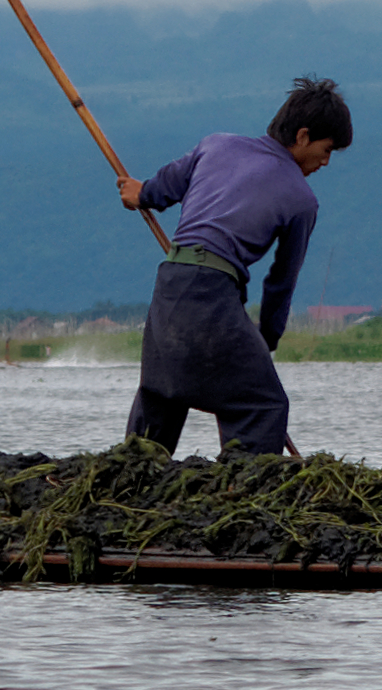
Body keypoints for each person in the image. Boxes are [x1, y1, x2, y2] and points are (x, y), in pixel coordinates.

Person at [117, 77, 352, 456]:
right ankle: (243, 494)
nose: (325, 162)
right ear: (304, 136)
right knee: (263, 405)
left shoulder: (215, 145)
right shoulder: (302, 200)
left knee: (162, 391)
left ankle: (130, 477)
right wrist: (266, 340)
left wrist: (138, 192)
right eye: (326, 151)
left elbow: (160, 189)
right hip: (211, 292)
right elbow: (280, 282)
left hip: (170, 284)